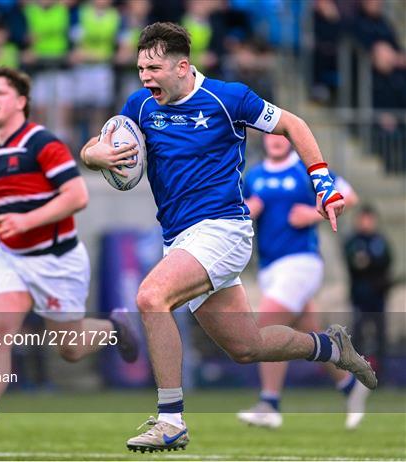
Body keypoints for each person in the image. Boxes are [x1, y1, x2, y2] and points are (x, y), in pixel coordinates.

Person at [80, 22, 377, 453]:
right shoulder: (141, 105)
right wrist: (95, 154)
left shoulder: (228, 97)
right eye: (140, 67)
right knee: (247, 347)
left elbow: (293, 124)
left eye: (153, 67)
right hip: (180, 239)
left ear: (182, 66)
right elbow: (96, 145)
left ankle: (170, 419)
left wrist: (322, 183)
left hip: (223, 229)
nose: (144, 76)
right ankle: (331, 347)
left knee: (151, 297)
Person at [0, 66, 139, 450]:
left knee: (68, 348)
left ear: (21, 102)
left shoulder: (43, 143)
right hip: (12, 258)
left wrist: (26, 219)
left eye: (0, 93)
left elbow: (76, 196)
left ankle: (115, 328)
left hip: (57, 260)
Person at [237, 133, 370, 431]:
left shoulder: (303, 170)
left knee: (266, 325)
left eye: (280, 135)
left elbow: (349, 195)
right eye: (269, 136)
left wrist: (314, 213)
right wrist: (248, 211)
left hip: (302, 263)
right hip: (270, 266)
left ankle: (269, 403)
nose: (275, 140)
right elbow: (237, 213)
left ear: (290, 140)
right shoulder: (254, 175)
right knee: (310, 334)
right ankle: (350, 385)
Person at [344, 204, 393, 379]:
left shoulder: (380, 240)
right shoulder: (353, 241)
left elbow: (385, 262)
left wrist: (368, 263)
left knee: (380, 335)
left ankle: (382, 374)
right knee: (358, 335)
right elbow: (355, 264)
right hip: (360, 297)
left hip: (378, 297)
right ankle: (356, 374)